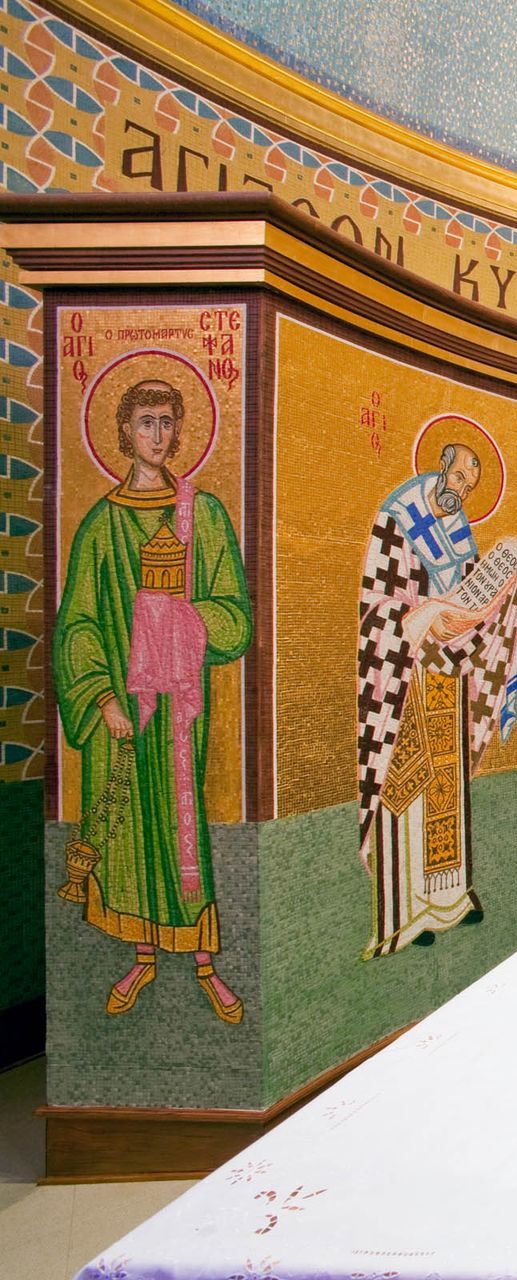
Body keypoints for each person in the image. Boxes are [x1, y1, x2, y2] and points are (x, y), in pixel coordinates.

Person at [54, 378, 252, 1021]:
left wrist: (181, 624)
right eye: (145, 423)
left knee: (180, 829)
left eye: (168, 422)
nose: (158, 435)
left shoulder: (206, 515)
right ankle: (142, 956)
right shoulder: (101, 526)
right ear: (123, 432)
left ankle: (203, 962)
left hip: (181, 711)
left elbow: (235, 617)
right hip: (122, 712)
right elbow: (78, 623)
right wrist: (101, 697)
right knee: (130, 833)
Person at [357, 443, 517, 957]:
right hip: (401, 677)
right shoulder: (398, 519)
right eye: (456, 476)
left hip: (446, 679)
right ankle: (404, 915)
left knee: (443, 792)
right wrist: (421, 618)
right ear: (440, 467)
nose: (459, 489)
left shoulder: (459, 532)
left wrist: (499, 591)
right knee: (404, 790)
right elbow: (378, 603)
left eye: (469, 486)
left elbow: (473, 600)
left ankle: (447, 898)